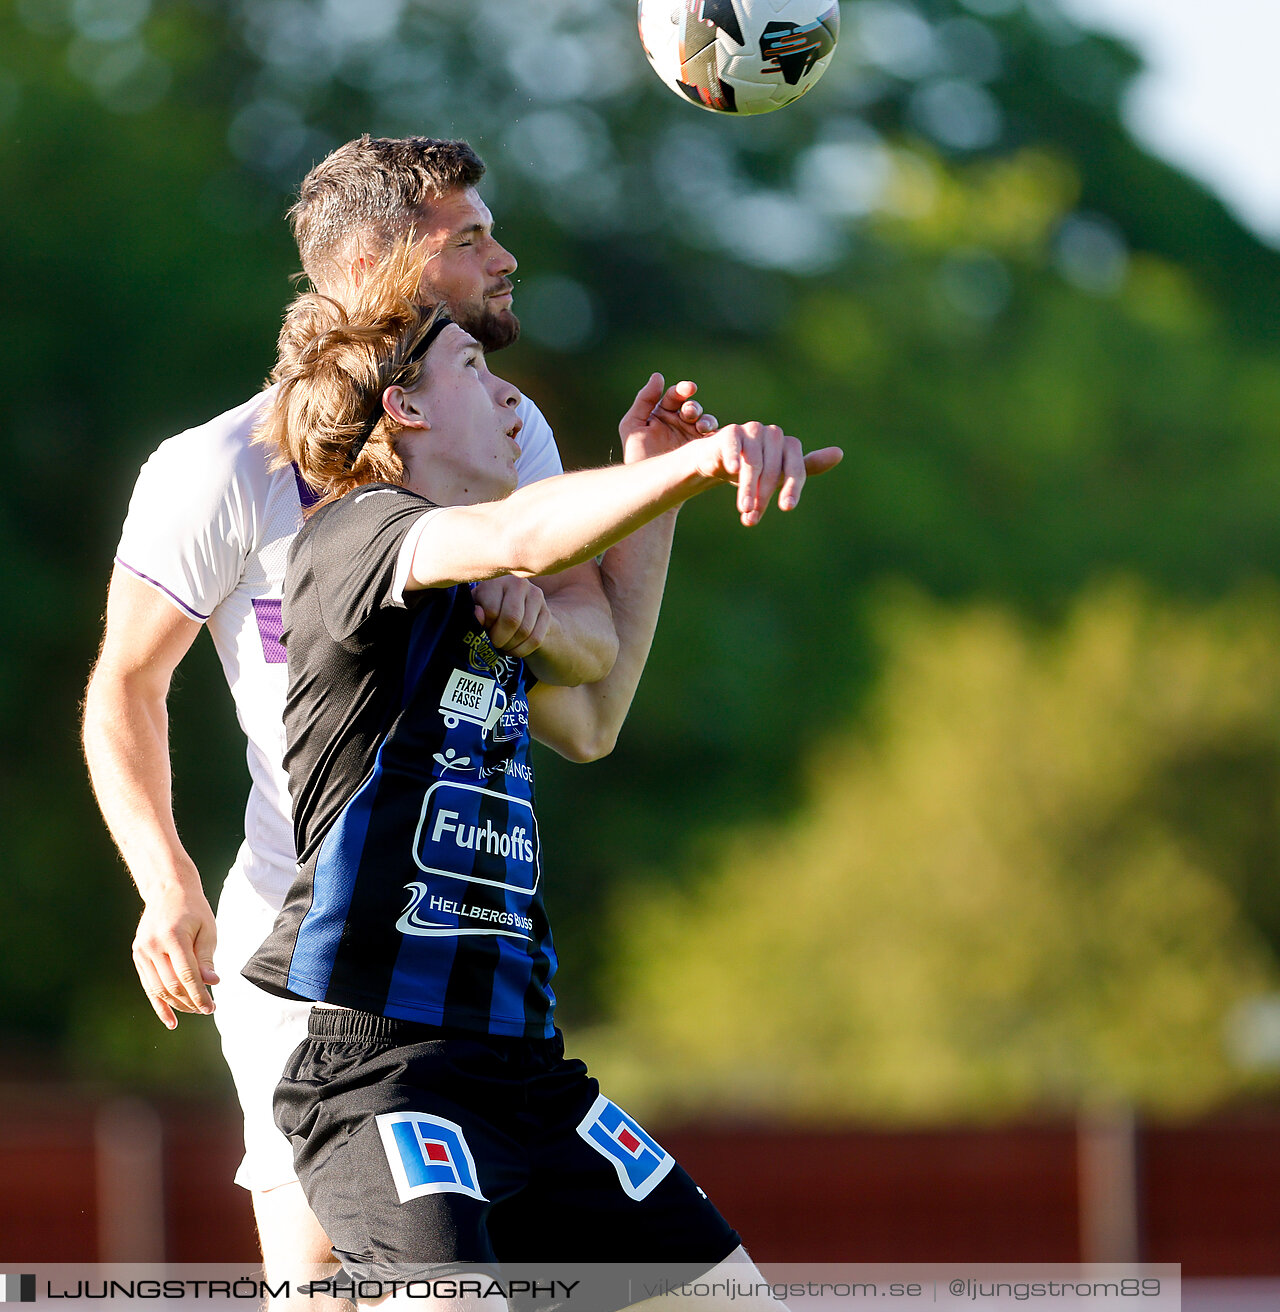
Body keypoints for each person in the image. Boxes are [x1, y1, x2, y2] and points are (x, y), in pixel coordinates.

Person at [81, 136, 725, 1276]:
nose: (503, 259)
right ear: (379, 264)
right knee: (322, 1280)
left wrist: (637, 519)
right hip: (310, 953)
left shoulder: (502, 431)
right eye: (469, 240)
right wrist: (166, 884)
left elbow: (585, 716)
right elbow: (126, 685)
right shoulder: (219, 465)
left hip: (468, 975)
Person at [242, 248, 840, 1304]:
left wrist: (650, 495)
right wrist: (698, 465)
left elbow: (596, 717)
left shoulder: (483, 582)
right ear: (406, 410)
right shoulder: (353, 532)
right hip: (383, 1077)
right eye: (475, 367)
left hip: (528, 1074)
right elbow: (519, 527)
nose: (509, 392)